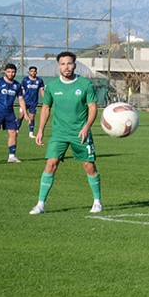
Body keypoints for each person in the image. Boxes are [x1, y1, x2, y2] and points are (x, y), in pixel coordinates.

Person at [29, 51, 101, 214]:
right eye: (63, 64)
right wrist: (40, 130)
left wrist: (87, 127)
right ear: (58, 66)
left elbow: (92, 107)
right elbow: (46, 108)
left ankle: (97, 201)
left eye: (69, 63)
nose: (66, 67)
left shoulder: (85, 85)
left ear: (74, 65)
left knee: (89, 166)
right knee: (50, 164)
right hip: (59, 133)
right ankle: (41, 204)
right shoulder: (52, 86)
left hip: (80, 133)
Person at [0, 63, 30, 163]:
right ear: (5, 71)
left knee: (13, 133)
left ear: (15, 72)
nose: (11, 74)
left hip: (10, 113)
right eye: (9, 71)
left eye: (13, 72)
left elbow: (21, 100)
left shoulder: (17, 85)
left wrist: (25, 113)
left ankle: (11, 157)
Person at [18, 66, 45, 139]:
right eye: (31, 71)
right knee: (21, 115)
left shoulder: (39, 81)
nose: (33, 72)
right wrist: (20, 99)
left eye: (34, 71)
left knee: (32, 117)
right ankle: (16, 130)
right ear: (29, 72)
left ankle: (31, 133)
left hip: (34, 102)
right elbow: (21, 90)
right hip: (25, 101)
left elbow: (42, 91)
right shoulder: (25, 80)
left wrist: (45, 100)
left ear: (36, 72)